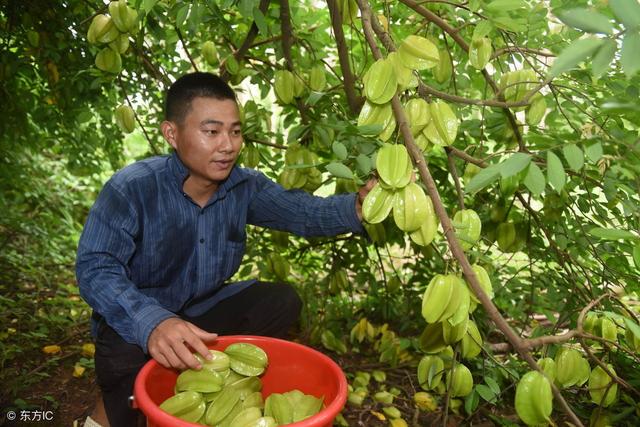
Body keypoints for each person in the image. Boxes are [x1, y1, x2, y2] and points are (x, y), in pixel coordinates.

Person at [76, 72, 374, 426]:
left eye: (235, 131)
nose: (228, 145)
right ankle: (106, 413)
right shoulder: (133, 188)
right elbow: (96, 268)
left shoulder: (244, 186)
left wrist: (357, 207)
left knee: (280, 301)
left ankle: (220, 387)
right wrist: (153, 322)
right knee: (125, 378)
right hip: (138, 317)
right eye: (211, 131)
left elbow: (304, 213)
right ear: (171, 134)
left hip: (202, 310)